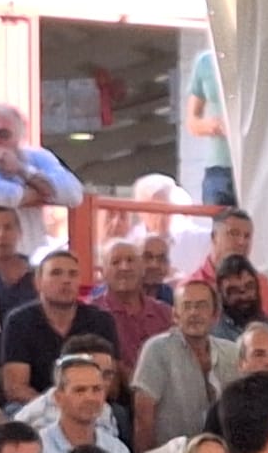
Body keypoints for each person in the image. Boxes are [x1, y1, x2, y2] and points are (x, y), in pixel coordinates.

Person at [0, 105, 85, 255]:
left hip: (27, 261)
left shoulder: (37, 156)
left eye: (4, 134)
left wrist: (22, 170)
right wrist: (42, 191)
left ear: (20, 139)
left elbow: (74, 194)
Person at [131, 280, 238, 453]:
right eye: (187, 306)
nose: (194, 313)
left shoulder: (232, 352)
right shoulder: (157, 350)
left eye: (202, 306)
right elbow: (143, 418)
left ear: (215, 315)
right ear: (175, 315)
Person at [0, 252, 116, 404]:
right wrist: (58, 406)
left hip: (90, 402)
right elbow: (15, 388)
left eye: (73, 274)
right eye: (56, 273)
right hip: (35, 405)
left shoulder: (101, 320)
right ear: (38, 282)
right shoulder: (18, 321)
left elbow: (112, 384)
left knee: (119, 414)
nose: (66, 280)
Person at [40, 354, 139, 453]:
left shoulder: (118, 450)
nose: (90, 398)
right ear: (58, 397)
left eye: (97, 389)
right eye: (80, 390)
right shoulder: (39, 448)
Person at [91, 238, 171, 374]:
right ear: (102, 271)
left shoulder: (165, 313)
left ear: (142, 269)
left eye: (130, 261)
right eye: (115, 262)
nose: (125, 267)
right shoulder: (91, 314)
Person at [183, 48, 236, 205]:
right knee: (220, 226)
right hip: (219, 167)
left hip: (256, 162)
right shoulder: (206, 61)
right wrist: (214, 126)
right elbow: (192, 123)